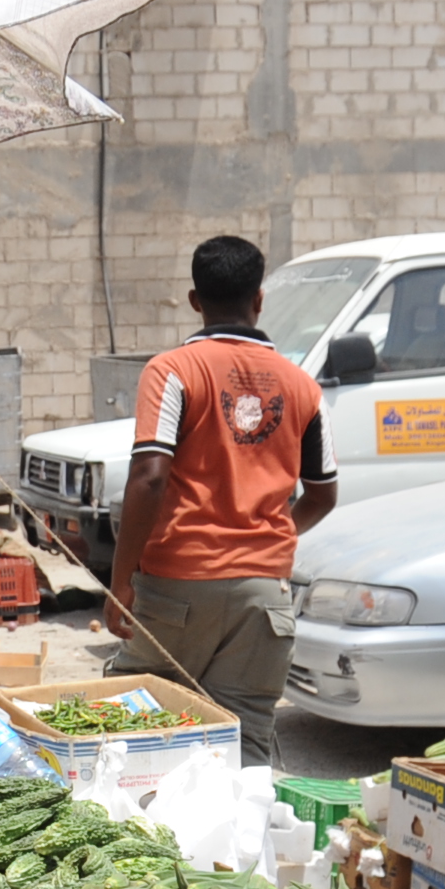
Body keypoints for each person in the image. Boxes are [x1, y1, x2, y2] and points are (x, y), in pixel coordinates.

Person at [99, 234, 339, 765]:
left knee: (130, 728)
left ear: (194, 300)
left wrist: (120, 581)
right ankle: (243, 848)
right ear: (258, 300)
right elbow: (323, 494)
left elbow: (149, 476)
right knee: (245, 740)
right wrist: (263, 544)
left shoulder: (172, 371)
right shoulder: (302, 387)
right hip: (265, 597)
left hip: (178, 587)